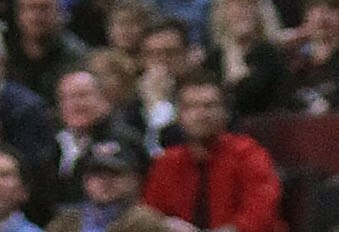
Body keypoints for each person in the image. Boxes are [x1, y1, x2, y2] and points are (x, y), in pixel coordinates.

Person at [141, 75, 283, 232]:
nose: (201, 115)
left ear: (225, 113)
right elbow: (151, 213)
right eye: (192, 107)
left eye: (210, 106)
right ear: (179, 115)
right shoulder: (167, 162)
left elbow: (260, 214)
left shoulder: (248, 154)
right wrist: (168, 224)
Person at [48, 135, 175, 232]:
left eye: (114, 174)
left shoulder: (148, 224)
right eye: (96, 174)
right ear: (84, 180)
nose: (104, 182)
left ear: (134, 179)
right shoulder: (66, 222)